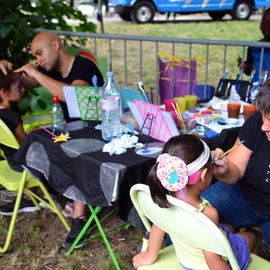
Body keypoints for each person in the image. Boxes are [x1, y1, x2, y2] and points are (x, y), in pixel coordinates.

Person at [133, 134, 255, 269]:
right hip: (203, 266)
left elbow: (158, 227)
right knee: (250, 237)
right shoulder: (208, 213)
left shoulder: (165, 200)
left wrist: (150, 255)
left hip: (185, 261)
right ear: (204, 176)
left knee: (227, 227)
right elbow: (214, 262)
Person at [201, 79, 270, 251]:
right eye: (264, 117)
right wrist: (224, 170)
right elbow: (236, 169)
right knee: (192, 213)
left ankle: (240, 239)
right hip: (243, 196)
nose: (264, 127)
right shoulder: (256, 124)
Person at [15, 31, 104, 122]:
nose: (38, 61)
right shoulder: (51, 69)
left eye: (39, 53)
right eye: (36, 57)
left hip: (95, 130)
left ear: (55, 45)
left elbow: (75, 98)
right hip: (72, 131)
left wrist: (36, 74)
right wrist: (4, 71)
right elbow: (18, 83)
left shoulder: (84, 65)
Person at [237, 8, 270, 82]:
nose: (266, 26)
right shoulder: (253, 47)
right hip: (255, 89)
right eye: (264, 22)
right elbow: (249, 71)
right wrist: (245, 67)